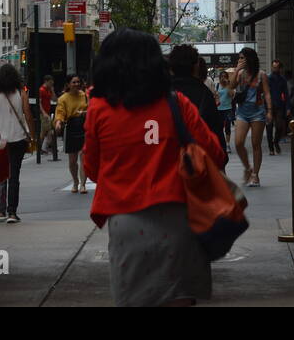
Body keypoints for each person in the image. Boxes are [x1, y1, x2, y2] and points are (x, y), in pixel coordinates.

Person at [85, 28, 226, 306]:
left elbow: (92, 169)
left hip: (126, 222)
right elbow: (215, 154)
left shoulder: (98, 109)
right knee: (179, 297)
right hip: (179, 220)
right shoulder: (177, 104)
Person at [0, 64, 31, 223]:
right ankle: (12, 212)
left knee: (1, 174)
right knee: (14, 175)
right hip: (18, 138)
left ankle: (0, 210)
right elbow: (27, 114)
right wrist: (32, 135)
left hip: (0, 141)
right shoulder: (22, 93)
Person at [230, 48, 272, 187]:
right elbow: (231, 87)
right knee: (238, 142)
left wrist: (269, 111)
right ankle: (248, 168)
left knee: (256, 144)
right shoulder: (240, 73)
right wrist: (236, 70)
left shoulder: (261, 75)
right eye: (239, 58)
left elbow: (267, 93)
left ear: (249, 59)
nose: (240, 60)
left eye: (242, 58)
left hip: (257, 112)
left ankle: (255, 175)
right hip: (242, 112)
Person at [168, 45, 221, 145]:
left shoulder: (161, 93)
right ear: (196, 65)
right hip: (197, 153)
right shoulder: (204, 93)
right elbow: (215, 134)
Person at [54, 75, 90, 192]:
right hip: (71, 128)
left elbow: (91, 109)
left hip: (83, 127)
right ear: (68, 84)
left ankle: (83, 184)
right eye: (74, 82)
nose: (76, 84)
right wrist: (58, 123)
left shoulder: (84, 96)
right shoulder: (63, 98)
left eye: (78, 82)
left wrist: (85, 112)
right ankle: (75, 181)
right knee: (72, 161)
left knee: (84, 157)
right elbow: (60, 113)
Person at [266, 60, 289, 154]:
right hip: (269, 106)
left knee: (279, 126)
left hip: (279, 106)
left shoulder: (282, 79)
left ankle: (275, 142)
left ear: (280, 68)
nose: (274, 69)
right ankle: (271, 149)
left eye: (276, 67)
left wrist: (288, 107)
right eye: (273, 67)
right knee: (269, 127)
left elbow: (286, 94)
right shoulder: (268, 78)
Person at [38, 76, 58, 159]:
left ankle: (43, 148)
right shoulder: (41, 90)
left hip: (48, 113)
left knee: (46, 132)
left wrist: (52, 91)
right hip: (44, 114)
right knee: (48, 131)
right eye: (51, 82)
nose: (52, 84)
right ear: (46, 81)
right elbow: (39, 103)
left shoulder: (48, 90)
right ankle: (44, 148)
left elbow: (55, 99)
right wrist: (44, 113)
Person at [214, 70, 234, 155]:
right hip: (219, 109)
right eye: (221, 76)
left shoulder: (229, 86)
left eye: (224, 76)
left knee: (227, 127)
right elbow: (215, 95)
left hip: (228, 109)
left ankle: (228, 144)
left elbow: (232, 95)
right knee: (219, 127)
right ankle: (221, 144)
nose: (223, 78)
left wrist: (228, 85)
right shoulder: (217, 85)